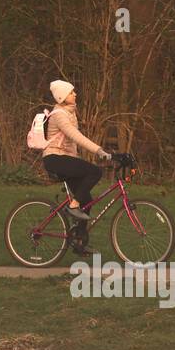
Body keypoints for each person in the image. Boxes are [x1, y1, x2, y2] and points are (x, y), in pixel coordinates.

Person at [41, 80, 113, 248]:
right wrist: (99, 150)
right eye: (71, 92)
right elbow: (76, 137)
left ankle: (79, 241)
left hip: (64, 158)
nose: (75, 94)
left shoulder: (69, 113)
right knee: (95, 172)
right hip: (55, 159)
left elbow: (72, 143)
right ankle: (73, 206)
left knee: (86, 200)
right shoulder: (59, 115)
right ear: (62, 97)